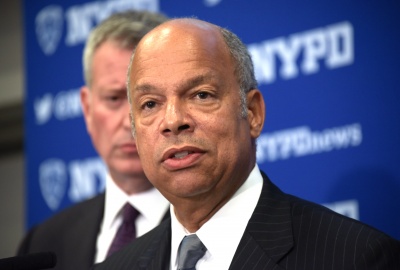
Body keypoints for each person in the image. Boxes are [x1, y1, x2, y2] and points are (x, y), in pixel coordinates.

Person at [92, 18, 400, 269]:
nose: (173, 120)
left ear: (252, 113)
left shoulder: (356, 257)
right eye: (150, 104)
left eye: (201, 95)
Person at [17, 10, 170, 270]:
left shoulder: (219, 226)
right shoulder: (43, 242)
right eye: (114, 98)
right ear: (87, 109)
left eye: (148, 101)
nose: (129, 121)